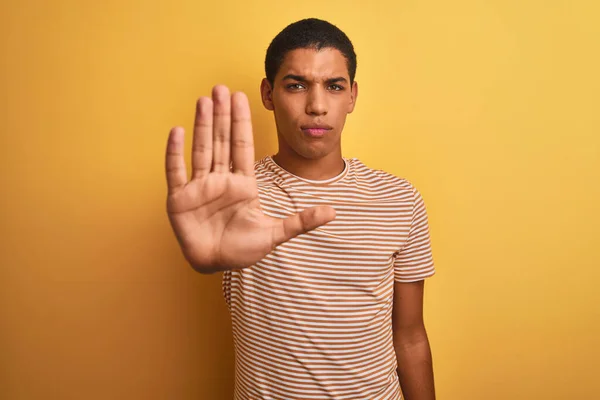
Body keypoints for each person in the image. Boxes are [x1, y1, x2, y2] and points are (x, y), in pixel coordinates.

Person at [165, 18, 436, 400]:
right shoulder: (230, 200)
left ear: (352, 96)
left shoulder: (398, 199)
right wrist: (210, 257)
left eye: (334, 86)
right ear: (268, 93)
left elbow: (409, 337)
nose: (317, 106)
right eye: (296, 85)